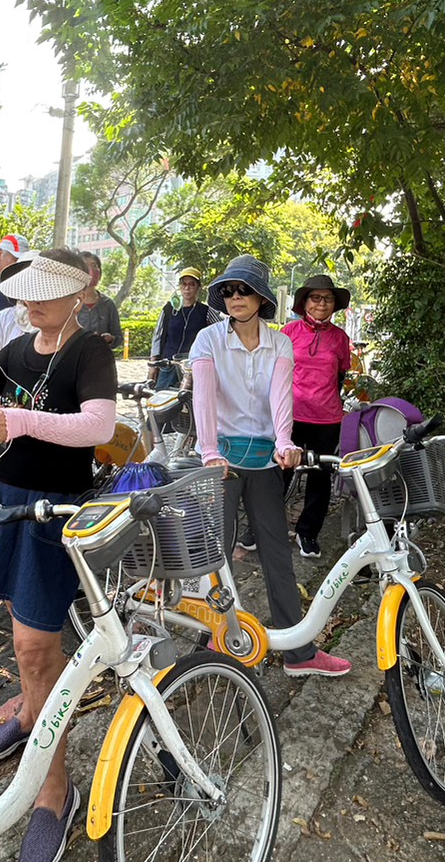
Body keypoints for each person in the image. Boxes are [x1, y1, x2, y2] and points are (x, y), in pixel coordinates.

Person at [0, 248, 117, 862]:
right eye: (28, 291)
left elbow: (98, 425)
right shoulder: (18, 344)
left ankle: (55, 791)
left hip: (56, 510)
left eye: (48, 291)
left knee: (34, 644)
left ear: (79, 294)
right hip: (8, 500)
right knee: (23, 636)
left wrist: (18, 419)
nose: (33, 302)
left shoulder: (89, 350)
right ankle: (27, 717)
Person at [191, 254, 351, 679]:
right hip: (220, 455)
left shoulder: (280, 343)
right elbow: (203, 400)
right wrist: (209, 451)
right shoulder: (207, 340)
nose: (235, 297)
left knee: (277, 550)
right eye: (228, 290)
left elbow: (282, 398)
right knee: (216, 552)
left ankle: (299, 652)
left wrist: (285, 441)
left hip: (263, 457)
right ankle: (214, 641)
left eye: (244, 289)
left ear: (262, 297)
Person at [280, 274, 353, 559]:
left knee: (320, 479)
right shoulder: (288, 333)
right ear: (305, 302)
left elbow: (339, 376)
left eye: (328, 298)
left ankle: (308, 532)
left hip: (327, 418)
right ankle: (265, 527)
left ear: (334, 305)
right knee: (280, 473)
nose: (322, 303)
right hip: (291, 415)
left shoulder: (340, 338)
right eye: (316, 297)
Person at [147, 266, 218, 388]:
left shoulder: (206, 311)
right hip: (168, 364)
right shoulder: (169, 309)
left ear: (198, 287)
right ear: (179, 286)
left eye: (192, 284)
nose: (187, 288)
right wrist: (153, 363)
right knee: (162, 399)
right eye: (184, 284)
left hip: (194, 366)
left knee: (191, 401)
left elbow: (219, 332)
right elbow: (158, 336)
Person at [76, 251, 123, 348]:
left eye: (94, 266)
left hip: (100, 358)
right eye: (86, 266)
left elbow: (118, 337)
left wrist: (110, 339)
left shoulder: (108, 304)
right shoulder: (70, 302)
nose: (91, 270)